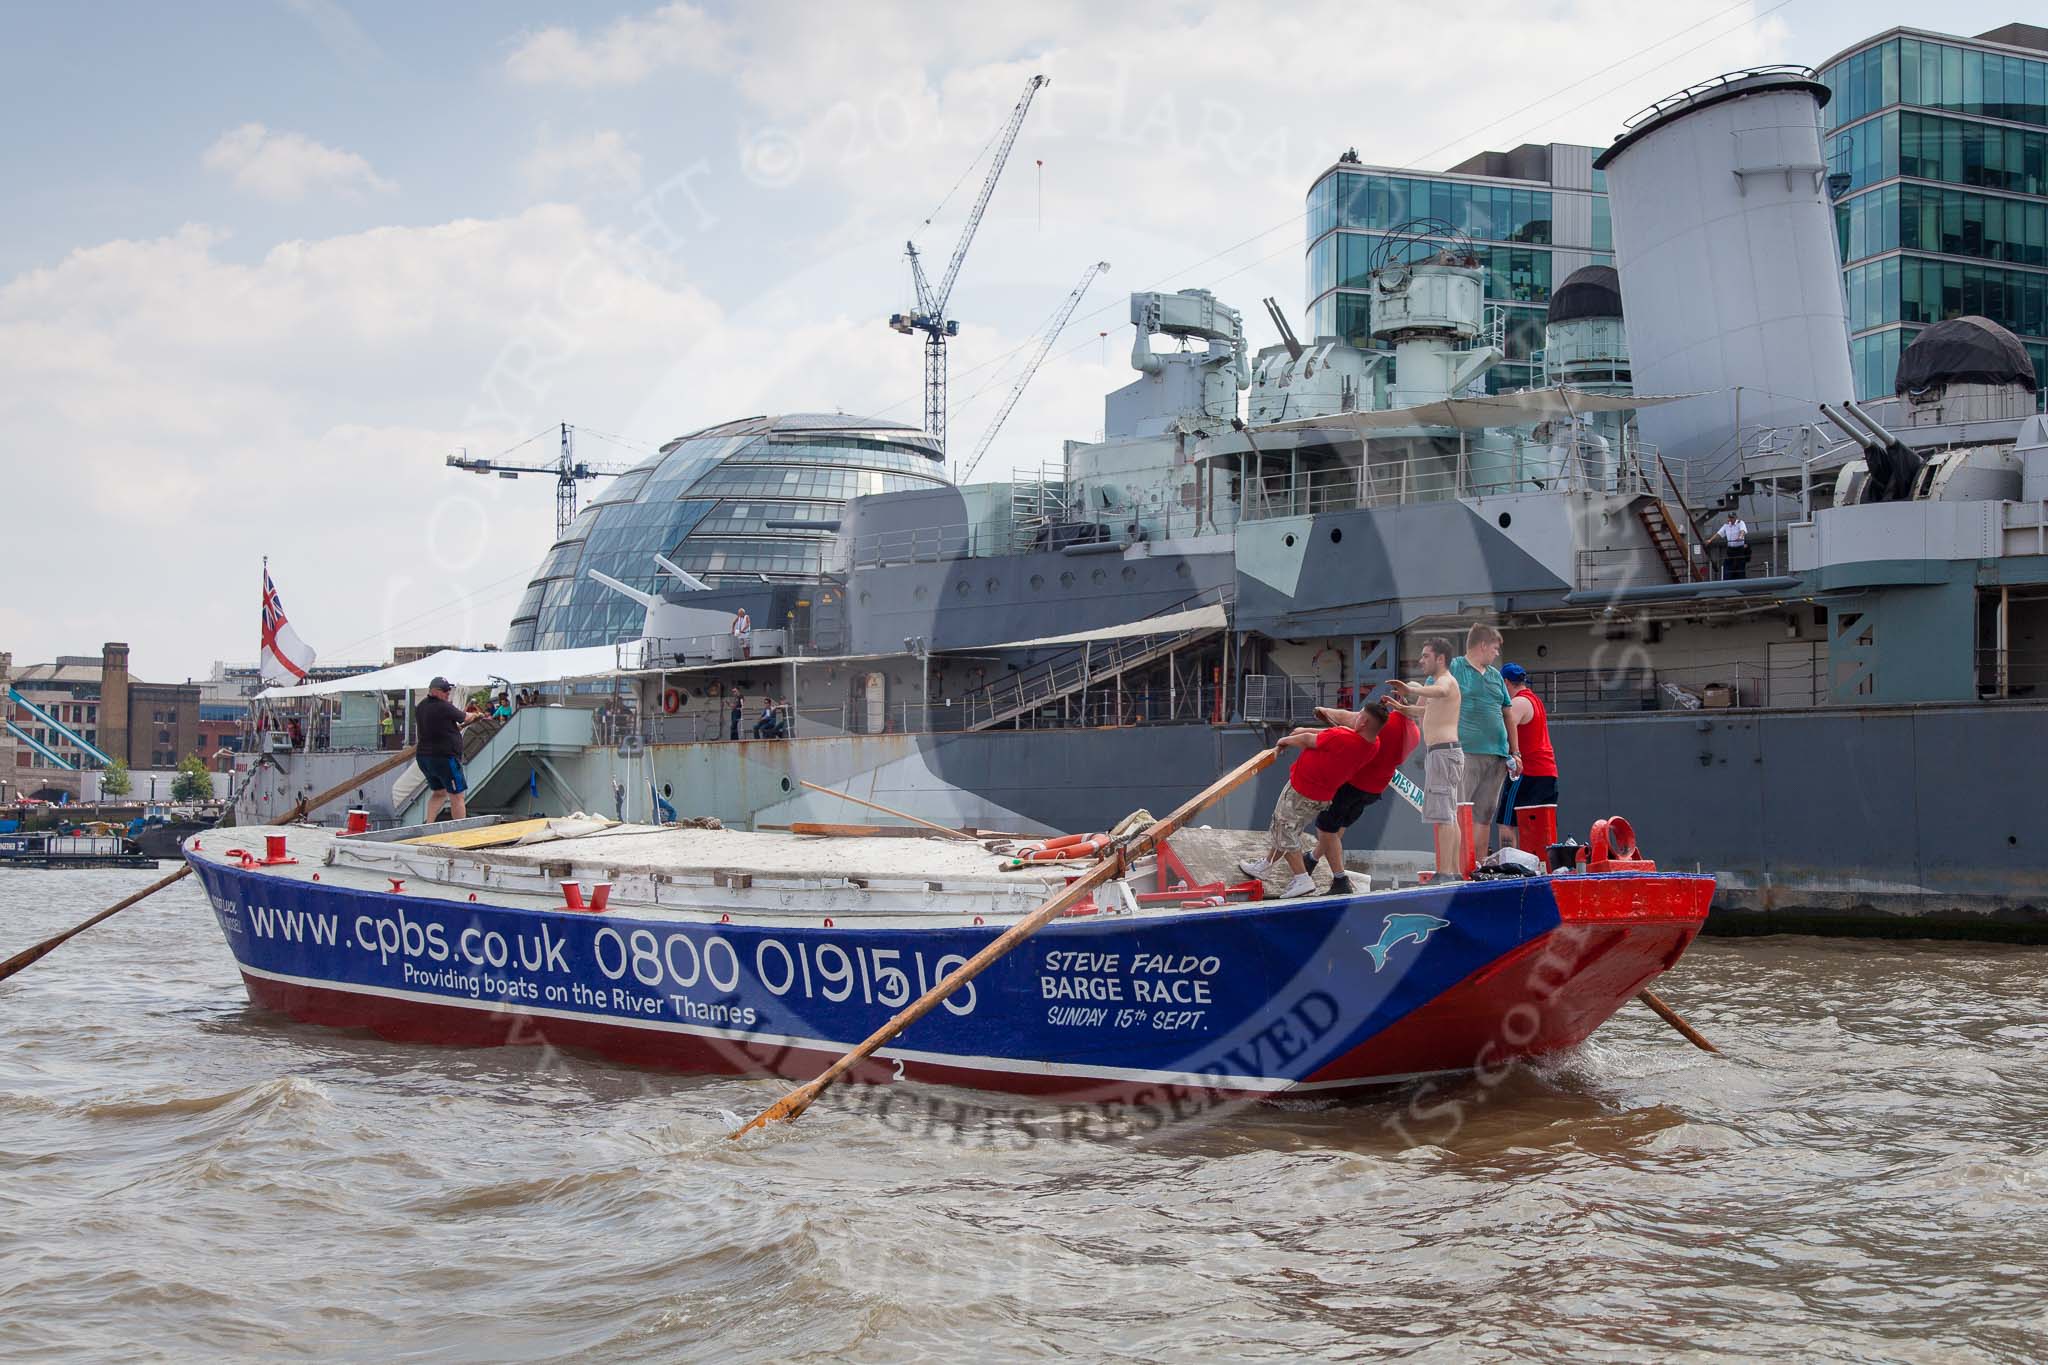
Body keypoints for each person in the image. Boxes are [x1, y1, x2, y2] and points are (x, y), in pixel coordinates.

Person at [1237, 708, 1377, 899]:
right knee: (1289, 829)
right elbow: (1332, 736)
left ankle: (1302, 879)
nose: (1355, 717)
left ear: (1363, 723)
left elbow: (1308, 741)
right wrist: (1304, 731)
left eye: (1359, 715)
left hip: (1302, 790)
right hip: (1322, 795)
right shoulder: (1373, 743)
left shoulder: (1342, 736)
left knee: (1283, 830)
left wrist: (1284, 741)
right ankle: (1266, 865)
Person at [1303, 697, 1420, 895]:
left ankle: (1340, 880)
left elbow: (1349, 718)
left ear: (1399, 700)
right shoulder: (1415, 734)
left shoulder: (1385, 723)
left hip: (1353, 783)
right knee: (1339, 826)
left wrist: (1325, 709)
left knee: (1325, 829)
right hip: (1375, 789)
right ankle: (1312, 858)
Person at [1388, 637, 1466, 881]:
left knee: (1444, 815)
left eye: (1425, 656)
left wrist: (1411, 689)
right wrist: (1402, 709)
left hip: (1443, 753)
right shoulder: (1440, 683)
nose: (1421, 661)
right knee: (1449, 814)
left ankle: (1445, 872)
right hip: (1444, 753)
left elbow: (1441, 691)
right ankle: (1452, 871)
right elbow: (1426, 711)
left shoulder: (1445, 681)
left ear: (1440, 659)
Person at [1446, 623, 1518, 866]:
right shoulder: (1455, 667)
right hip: (1465, 752)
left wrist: (1515, 752)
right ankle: (1458, 864)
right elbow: (1432, 694)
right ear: (1483, 646)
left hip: (1497, 755)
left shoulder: (1496, 676)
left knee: (1485, 814)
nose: (1497, 653)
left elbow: (1507, 713)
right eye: (1495, 648)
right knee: (1460, 810)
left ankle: (1479, 863)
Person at [1497, 663, 1559, 849]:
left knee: (1507, 823)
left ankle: (1510, 867)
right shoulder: (1535, 701)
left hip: (1527, 772)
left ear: (1506, 683)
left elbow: (1504, 730)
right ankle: (1543, 867)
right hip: (1548, 773)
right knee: (1541, 827)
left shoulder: (1516, 704)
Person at [414, 676, 478, 822]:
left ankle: (429, 824)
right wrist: (474, 715)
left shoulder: (421, 707)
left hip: (424, 757)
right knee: (457, 795)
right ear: (435, 691)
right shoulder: (443, 706)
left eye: (449, 690)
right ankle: (459, 829)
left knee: (439, 792)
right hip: (444, 757)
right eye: (445, 691)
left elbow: (438, 725)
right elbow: (465, 717)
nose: (448, 693)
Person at [1712, 511, 1749, 580]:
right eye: (1730, 518)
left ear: (1735, 518)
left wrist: (1740, 537)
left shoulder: (1740, 523)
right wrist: (1710, 540)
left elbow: (1742, 531)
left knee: (1740, 565)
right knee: (1728, 565)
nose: (1731, 519)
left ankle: (1742, 580)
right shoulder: (1726, 525)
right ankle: (1727, 580)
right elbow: (1719, 534)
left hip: (1739, 549)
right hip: (1731, 549)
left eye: (1732, 518)